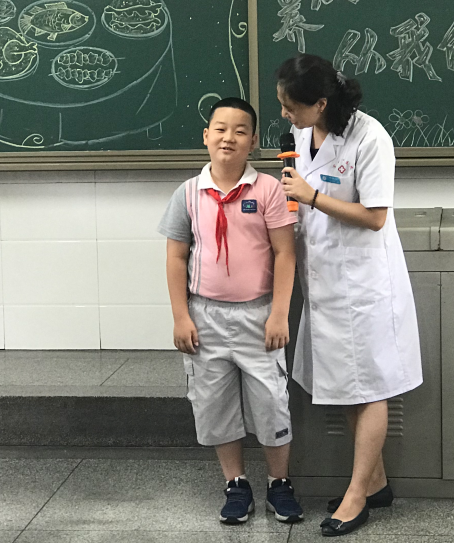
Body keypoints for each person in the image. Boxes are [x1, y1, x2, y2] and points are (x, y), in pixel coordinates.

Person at [275, 54, 423, 537]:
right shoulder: (302, 132)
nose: (285, 115)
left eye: (291, 107)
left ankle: (357, 497)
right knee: (344, 383)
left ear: (321, 103)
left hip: (363, 284)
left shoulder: (370, 138)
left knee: (369, 387)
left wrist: (311, 197)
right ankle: (375, 483)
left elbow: (376, 216)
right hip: (323, 279)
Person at [157, 97, 304, 525]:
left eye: (240, 131)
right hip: (205, 317)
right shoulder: (188, 193)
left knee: (272, 401)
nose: (229, 138)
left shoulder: (269, 190)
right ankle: (235, 483)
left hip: (259, 316)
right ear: (206, 136)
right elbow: (176, 258)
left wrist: (279, 313)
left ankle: (279, 483)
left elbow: (285, 254)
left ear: (253, 142)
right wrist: (181, 316)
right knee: (214, 402)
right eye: (220, 129)